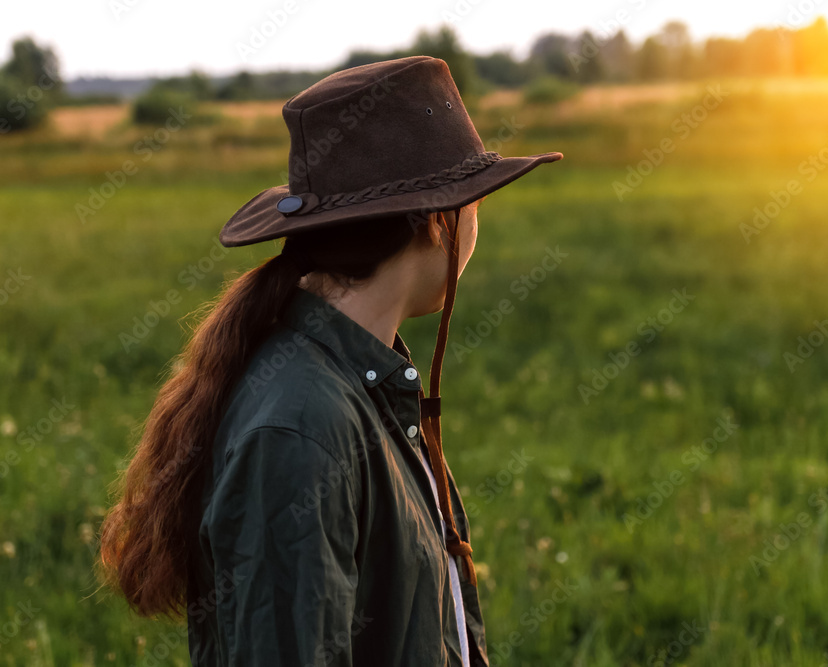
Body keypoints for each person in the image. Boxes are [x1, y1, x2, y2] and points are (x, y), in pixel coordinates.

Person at [98, 55, 562, 666]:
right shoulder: (300, 429)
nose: (479, 219)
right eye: (473, 199)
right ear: (434, 221)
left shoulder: (360, 381)